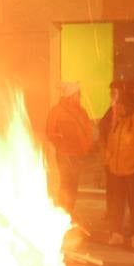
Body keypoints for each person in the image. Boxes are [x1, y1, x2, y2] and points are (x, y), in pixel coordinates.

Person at [103, 77, 134, 249]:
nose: (118, 108)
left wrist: (129, 165)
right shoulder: (119, 123)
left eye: (121, 105)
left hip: (132, 172)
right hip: (116, 171)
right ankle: (116, 233)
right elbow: (110, 143)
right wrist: (109, 159)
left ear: (128, 106)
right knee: (117, 203)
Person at [45, 80, 93, 222]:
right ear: (71, 96)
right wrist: (62, 144)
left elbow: (87, 130)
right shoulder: (57, 111)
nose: (80, 97)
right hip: (65, 155)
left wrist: (87, 146)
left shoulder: (81, 111)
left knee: (73, 185)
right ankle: (62, 213)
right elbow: (50, 132)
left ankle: (68, 212)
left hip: (78, 154)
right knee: (66, 185)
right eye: (78, 94)